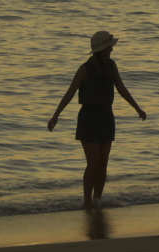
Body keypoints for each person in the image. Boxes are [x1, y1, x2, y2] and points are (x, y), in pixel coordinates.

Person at [48, 30, 147, 209]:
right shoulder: (85, 68)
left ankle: (97, 200)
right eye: (110, 47)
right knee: (93, 161)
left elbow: (121, 88)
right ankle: (87, 201)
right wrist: (56, 115)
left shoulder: (112, 65)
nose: (112, 50)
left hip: (106, 116)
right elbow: (70, 92)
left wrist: (137, 107)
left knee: (103, 161)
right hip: (89, 117)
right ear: (103, 48)